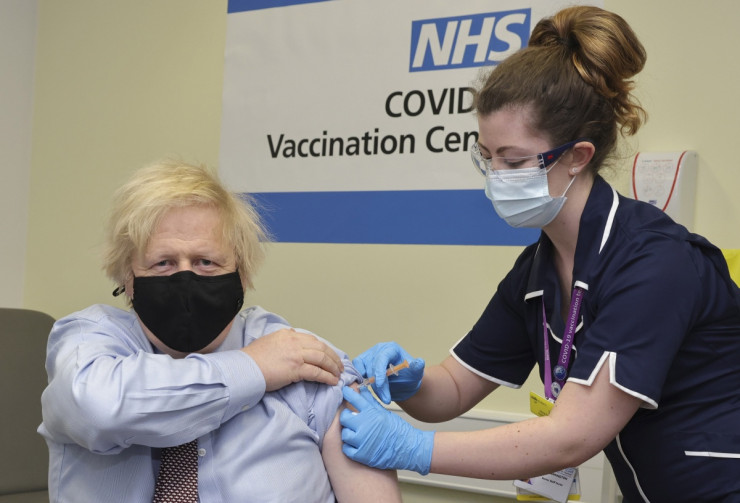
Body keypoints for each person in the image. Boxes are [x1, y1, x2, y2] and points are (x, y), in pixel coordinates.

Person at [339, 6, 740, 502]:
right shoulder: (536, 273)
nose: (496, 176)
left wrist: (412, 447)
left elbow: (571, 436)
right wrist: (408, 381)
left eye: (514, 161)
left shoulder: (655, 262)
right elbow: (455, 390)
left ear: (577, 156)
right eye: (487, 157)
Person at [38, 160, 401, 502]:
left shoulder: (302, 358)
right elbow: (99, 408)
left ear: (242, 274)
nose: (185, 278)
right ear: (127, 277)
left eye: (206, 262)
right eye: (163, 263)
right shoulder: (88, 340)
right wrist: (252, 368)